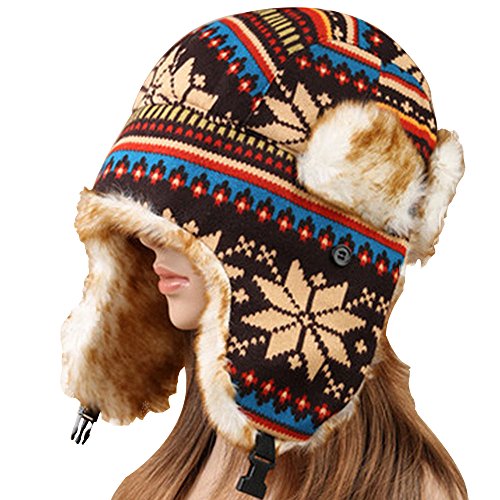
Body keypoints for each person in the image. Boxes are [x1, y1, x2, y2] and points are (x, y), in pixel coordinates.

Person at [61, 7, 468, 499]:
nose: (148, 240)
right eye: (143, 217)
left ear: (306, 246)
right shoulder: (166, 478)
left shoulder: (412, 491)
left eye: (189, 219)